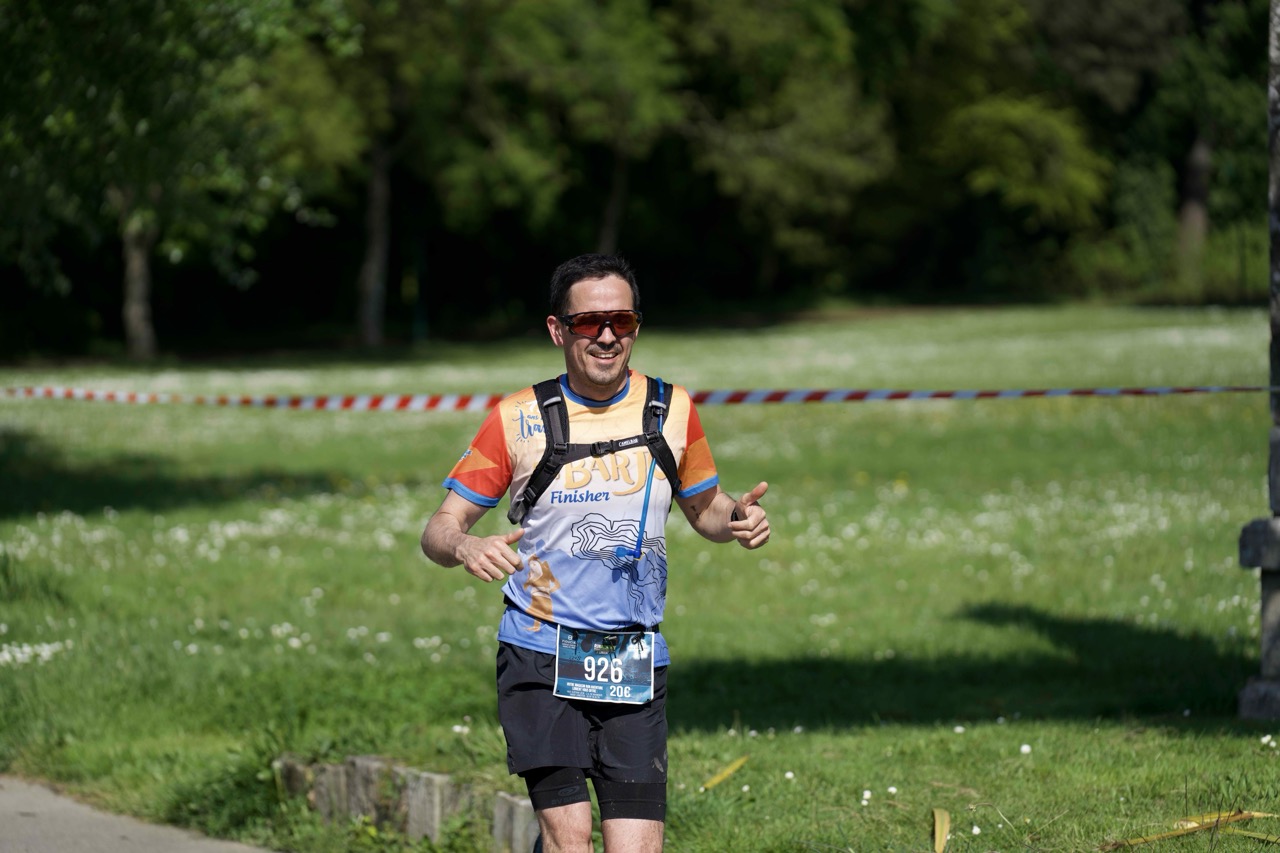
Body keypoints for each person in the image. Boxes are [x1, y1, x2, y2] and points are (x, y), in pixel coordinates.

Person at [421, 253, 770, 852]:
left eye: (621, 321)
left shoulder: (671, 409)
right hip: (540, 650)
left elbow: (704, 509)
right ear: (558, 330)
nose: (607, 337)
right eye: (588, 323)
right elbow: (439, 527)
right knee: (570, 838)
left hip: (631, 655)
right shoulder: (517, 418)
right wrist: (464, 543)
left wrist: (736, 516)